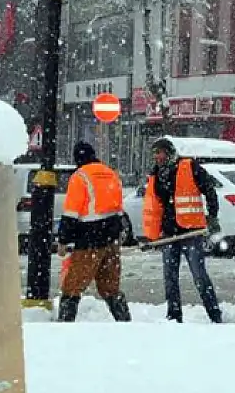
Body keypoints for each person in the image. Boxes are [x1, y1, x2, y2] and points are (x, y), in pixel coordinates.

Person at [142, 137, 224, 323]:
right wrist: (151, 236)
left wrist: (212, 217)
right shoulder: (156, 175)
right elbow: (154, 207)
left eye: (160, 152)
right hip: (169, 234)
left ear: (169, 152)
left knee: (199, 276)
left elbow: (209, 189)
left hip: (190, 232)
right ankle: (174, 315)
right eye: (155, 153)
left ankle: (214, 314)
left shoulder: (188, 166)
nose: (157, 157)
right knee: (170, 277)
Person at [55, 142, 131, 322]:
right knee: (110, 287)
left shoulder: (80, 177)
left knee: (72, 286)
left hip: (89, 240)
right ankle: (125, 323)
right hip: (111, 239)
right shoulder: (110, 173)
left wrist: (63, 241)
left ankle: (65, 325)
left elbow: (71, 213)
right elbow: (119, 209)